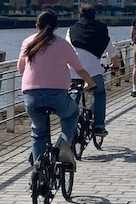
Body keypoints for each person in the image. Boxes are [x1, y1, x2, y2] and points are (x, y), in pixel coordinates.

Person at [18, 9, 95, 170]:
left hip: (31, 95)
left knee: (38, 131)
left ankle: (38, 170)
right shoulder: (63, 44)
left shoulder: (28, 42)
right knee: (71, 114)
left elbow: (21, 69)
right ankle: (64, 146)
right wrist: (90, 82)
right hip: (57, 95)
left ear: (37, 26)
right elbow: (79, 69)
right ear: (57, 27)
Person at [65, 4, 121, 137]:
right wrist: (115, 66)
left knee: (74, 93)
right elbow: (112, 53)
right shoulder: (102, 30)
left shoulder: (71, 30)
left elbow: (67, 49)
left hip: (74, 70)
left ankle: (70, 125)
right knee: (100, 93)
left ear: (79, 16)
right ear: (94, 16)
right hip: (93, 71)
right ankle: (99, 126)